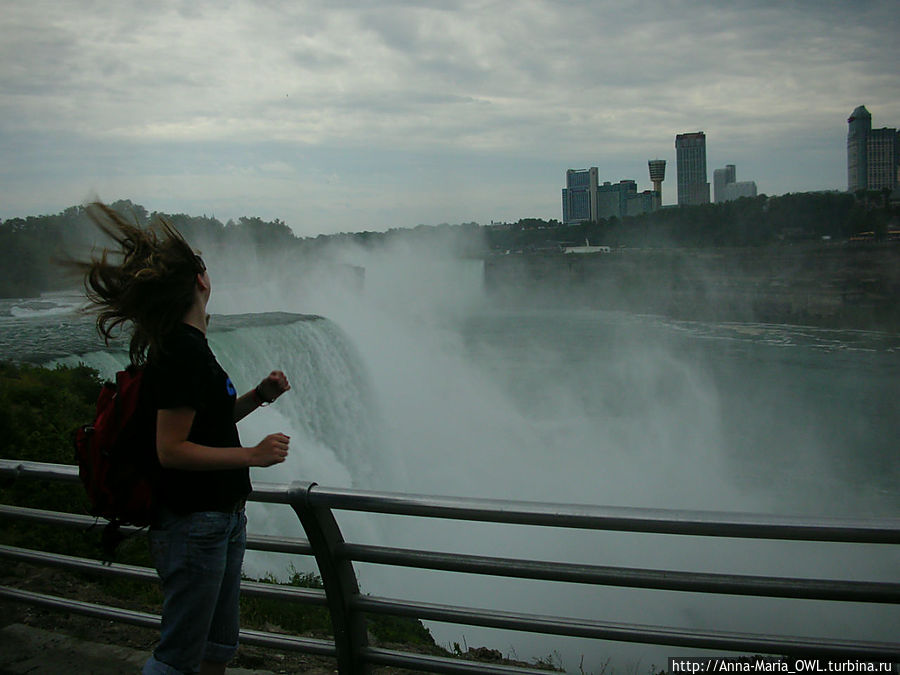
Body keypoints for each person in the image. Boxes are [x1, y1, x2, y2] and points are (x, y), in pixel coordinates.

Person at [77, 202, 291, 675]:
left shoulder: (192, 348)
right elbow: (170, 449)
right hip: (196, 525)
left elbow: (206, 422)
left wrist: (259, 395)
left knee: (217, 648)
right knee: (177, 657)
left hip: (222, 519)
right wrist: (251, 456)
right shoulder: (179, 353)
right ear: (198, 281)